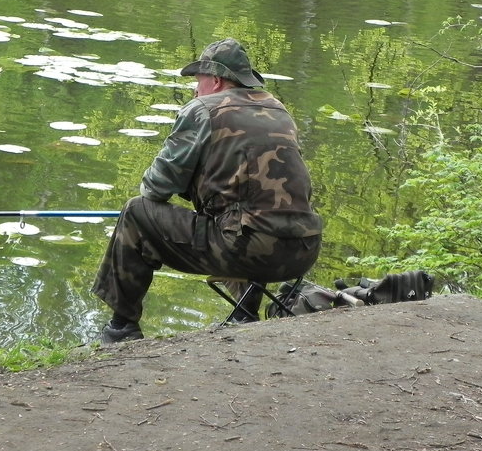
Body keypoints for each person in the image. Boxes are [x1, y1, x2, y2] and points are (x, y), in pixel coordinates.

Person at [92, 38, 323, 343]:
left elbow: (155, 188)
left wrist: (190, 186)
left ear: (215, 80)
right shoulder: (278, 109)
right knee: (243, 217)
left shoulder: (202, 109)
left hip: (251, 252)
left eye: (198, 80)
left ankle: (122, 327)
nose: (194, 89)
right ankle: (244, 313)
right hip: (304, 251)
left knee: (136, 212)